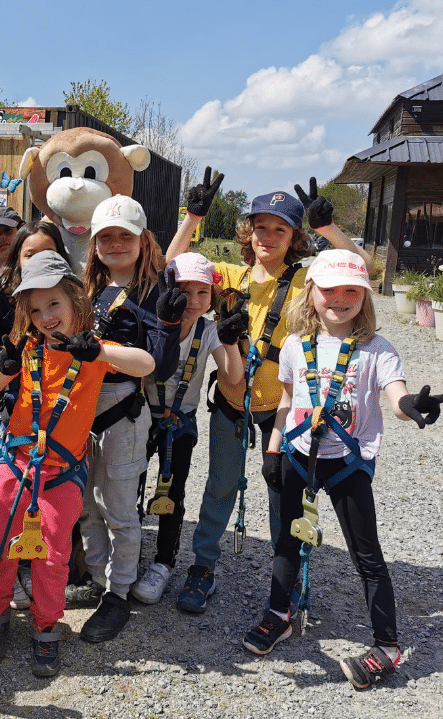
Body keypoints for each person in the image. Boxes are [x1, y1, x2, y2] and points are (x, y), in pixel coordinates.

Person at [167, 172, 374, 613]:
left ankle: (289, 576)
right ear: (248, 231)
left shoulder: (306, 282)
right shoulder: (226, 276)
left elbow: (361, 269)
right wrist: (193, 217)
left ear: (294, 236)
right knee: (220, 486)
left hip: (284, 409)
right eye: (260, 226)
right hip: (231, 400)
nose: (267, 236)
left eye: (280, 229)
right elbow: (171, 265)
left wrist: (328, 230)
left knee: (283, 493)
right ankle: (203, 568)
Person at [242, 249, 442, 689]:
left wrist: (411, 406)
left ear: (365, 297)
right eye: (329, 289)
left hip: (347, 463)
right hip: (297, 456)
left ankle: (387, 645)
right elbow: (286, 403)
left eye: (351, 290)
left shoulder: (377, 350)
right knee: (285, 543)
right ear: (311, 292)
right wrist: (273, 452)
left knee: (366, 555)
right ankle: (280, 614)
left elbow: (396, 396)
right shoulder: (295, 345)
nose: (340, 298)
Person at [0, 250, 154, 676]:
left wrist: (100, 354)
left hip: (60, 474)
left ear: (76, 301)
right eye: (35, 309)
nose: (45, 316)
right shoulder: (26, 349)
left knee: (52, 554)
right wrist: (3, 368)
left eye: (54, 304)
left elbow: (145, 364)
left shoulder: (92, 351)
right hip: (15, 463)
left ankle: (46, 626)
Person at [72, 195, 184, 644]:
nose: (115, 244)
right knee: (84, 505)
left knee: (118, 507)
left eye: (124, 236)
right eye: (106, 237)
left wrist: (170, 324)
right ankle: (102, 581)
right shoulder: (87, 289)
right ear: (94, 242)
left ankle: (118, 593)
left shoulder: (155, 292)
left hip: (121, 409)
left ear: (142, 240)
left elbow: (160, 362)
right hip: (80, 408)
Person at [0, 218, 66, 607]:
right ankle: (10, 569)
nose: (38, 260)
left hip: (60, 413)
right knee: (8, 491)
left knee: (53, 494)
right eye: (29, 253)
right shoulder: (7, 296)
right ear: (17, 260)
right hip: (14, 410)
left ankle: (44, 568)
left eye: (48, 252)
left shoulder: (70, 297)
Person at [132, 253, 245, 604]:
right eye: (184, 292)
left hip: (180, 421)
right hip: (141, 416)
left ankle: (163, 563)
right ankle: (126, 551)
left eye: (202, 293)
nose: (193, 303)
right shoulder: (150, 320)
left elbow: (233, 376)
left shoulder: (209, 330)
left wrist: (230, 342)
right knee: (131, 484)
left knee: (172, 491)